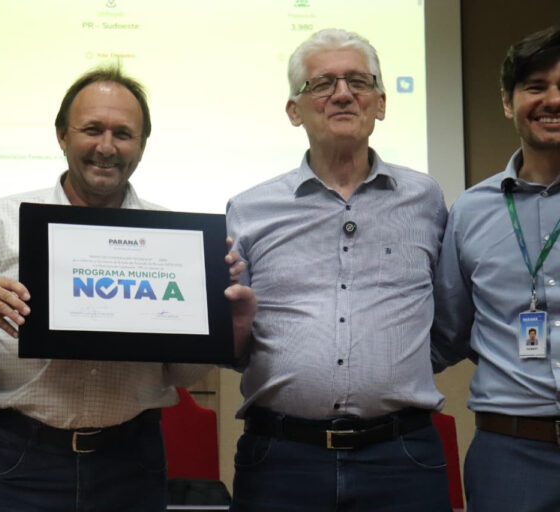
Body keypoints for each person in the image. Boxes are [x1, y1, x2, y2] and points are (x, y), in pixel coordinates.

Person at [0, 66, 255, 512]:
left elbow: (181, 374)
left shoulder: (172, 240)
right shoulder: (2, 220)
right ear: (62, 135)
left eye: (123, 133)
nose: (106, 146)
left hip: (131, 462)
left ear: (142, 146)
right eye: (92, 129)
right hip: (20, 460)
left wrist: (212, 313)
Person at [225, 28, 451, 511]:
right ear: (294, 110)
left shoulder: (426, 199)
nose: (343, 94)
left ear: (380, 103)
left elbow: (448, 322)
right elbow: (234, 347)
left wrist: (394, 368)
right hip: (281, 458)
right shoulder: (249, 209)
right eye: (323, 84)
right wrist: (238, 329)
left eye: (358, 81)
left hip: (401, 457)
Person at [432, 26, 560, 512]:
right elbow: (450, 332)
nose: (552, 100)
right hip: (511, 452)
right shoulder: (470, 211)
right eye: (535, 86)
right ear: (508, 103)